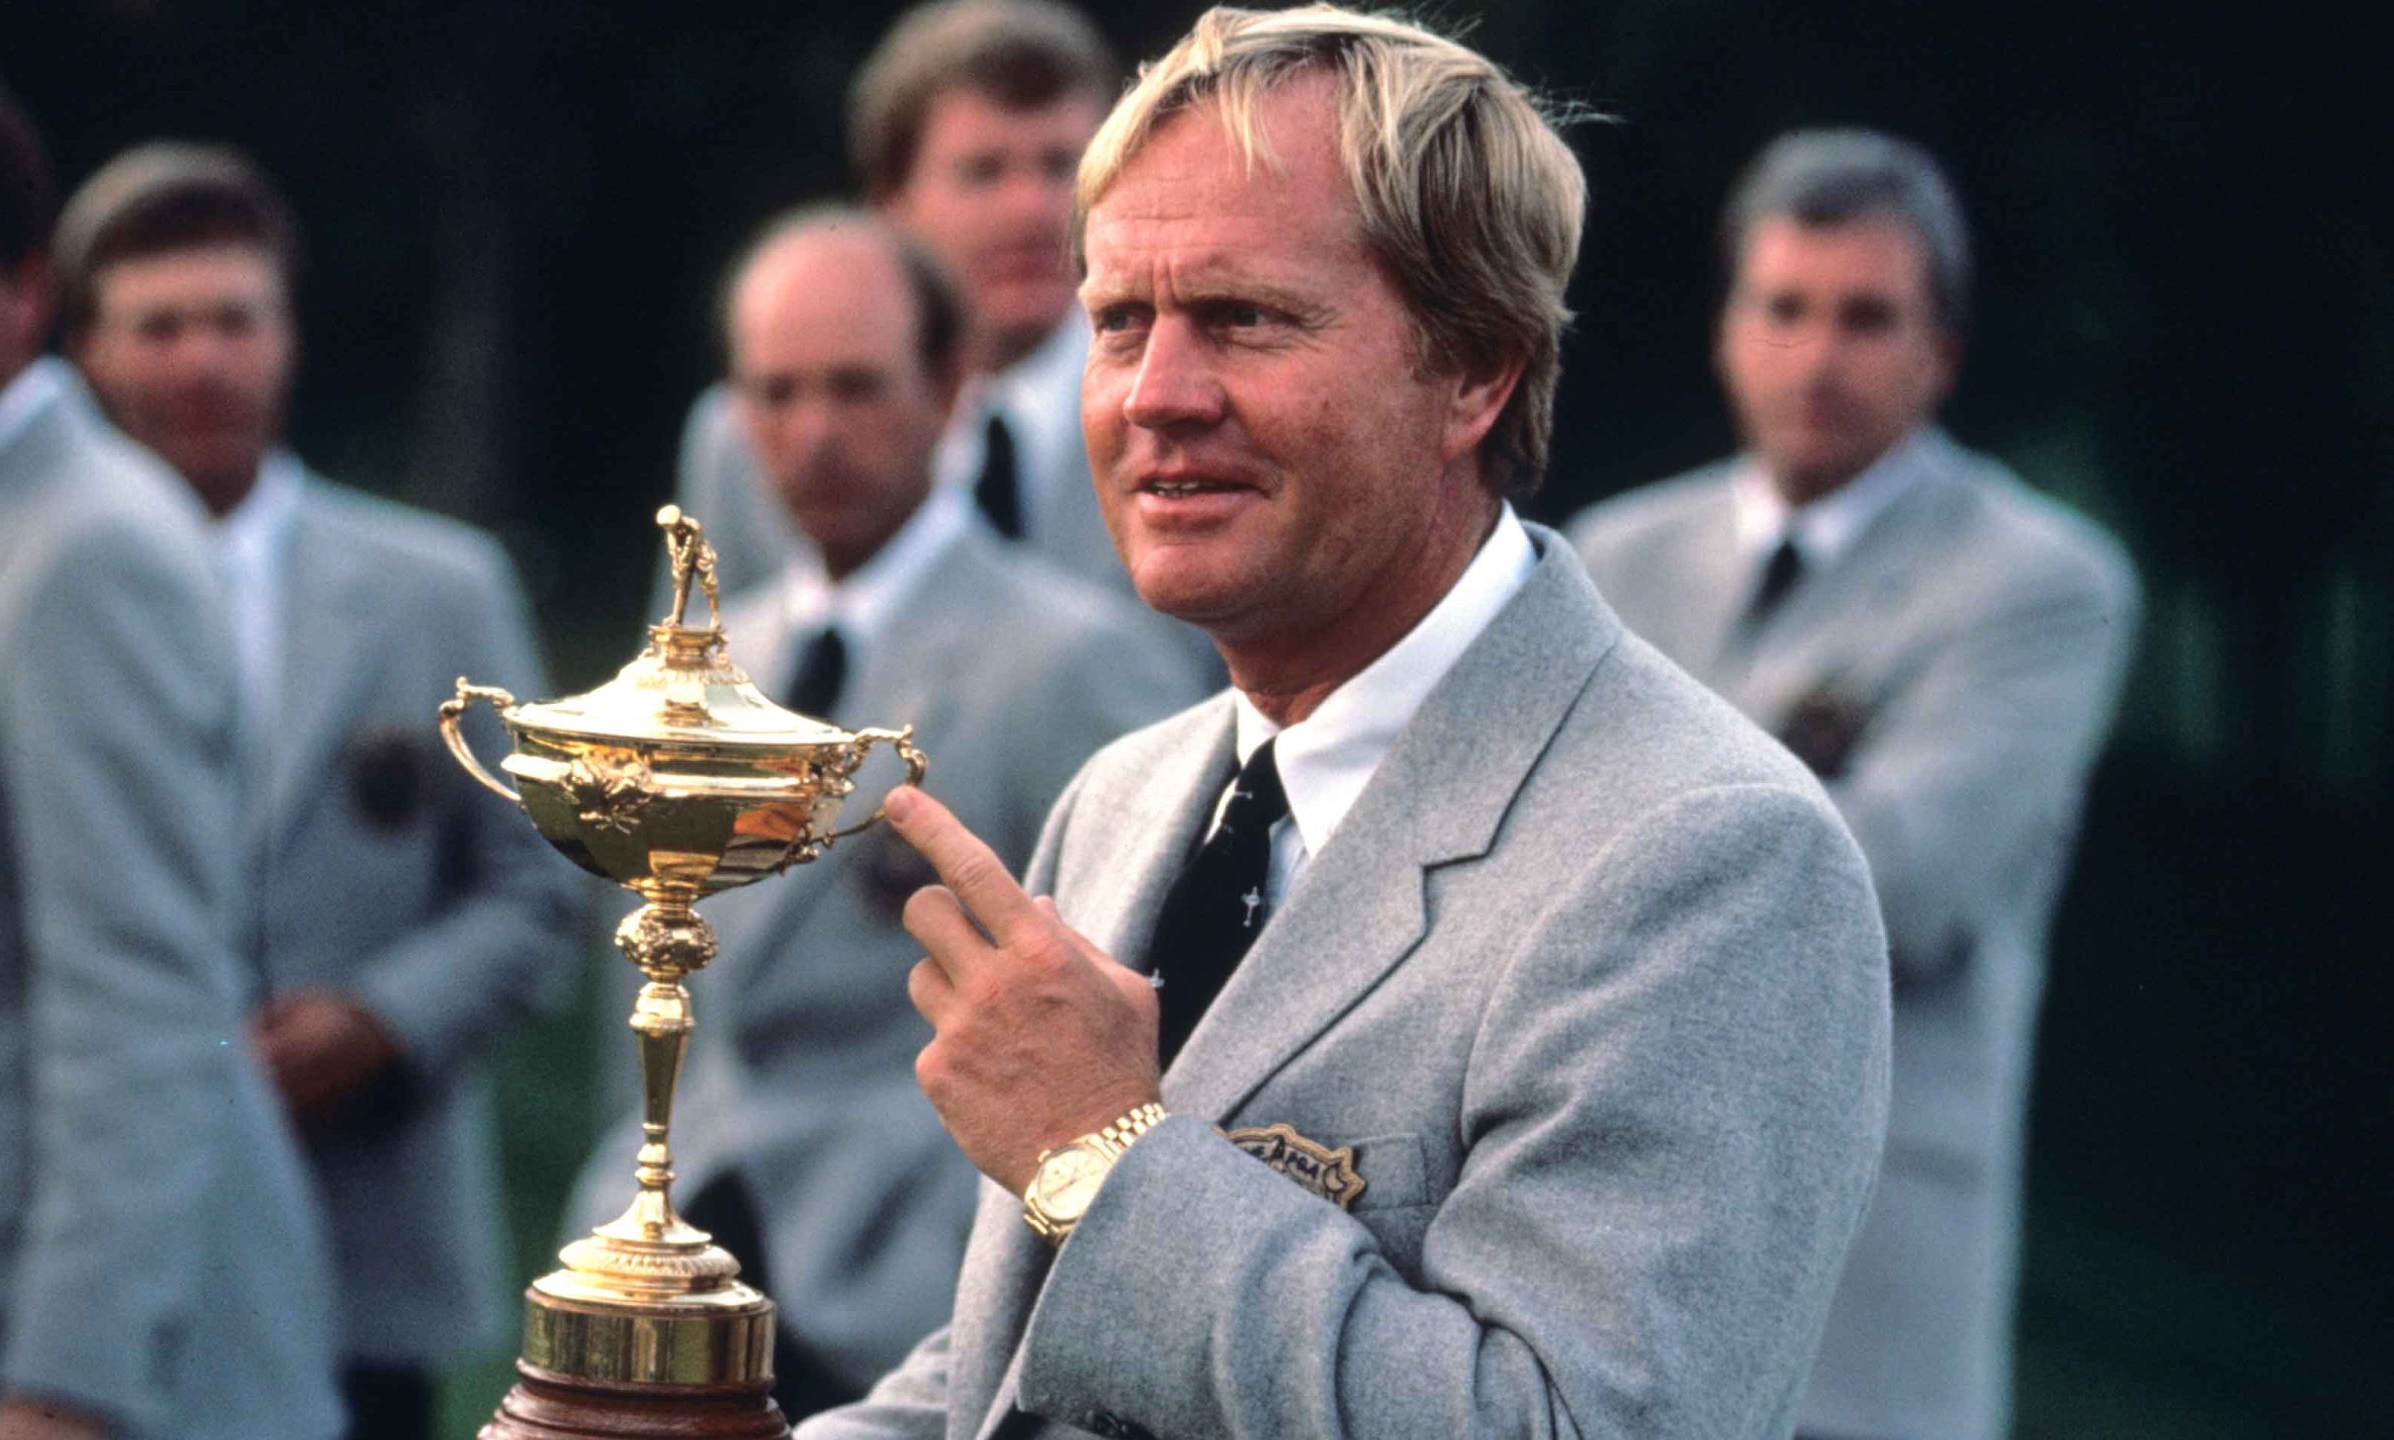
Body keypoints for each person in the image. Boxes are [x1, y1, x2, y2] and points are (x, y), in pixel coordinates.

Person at [808, 8, 1893, 1438]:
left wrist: (1101, 1156)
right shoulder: (1126, 796)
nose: (1157, 398)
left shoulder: (1713, 861)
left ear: (1475, 370)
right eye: (1118, 322)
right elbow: (1003, 1383)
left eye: (1245, 319)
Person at [564, 206, 1203, 1421]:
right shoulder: (701, 667)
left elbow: (1132, 1012)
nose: (813, 435)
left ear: (951, 385)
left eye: (856, 388)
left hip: (907, 1294)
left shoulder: (1074, 662)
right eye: (776, 394)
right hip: (683, 1255)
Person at [1570, 130, 2140, 1440]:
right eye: (1784, 308)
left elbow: (1893, 883)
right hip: (1597, 1260)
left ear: (1940, 349)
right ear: (1728, 327)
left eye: (1868, 318)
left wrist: (1594, 864)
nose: (1818, 357)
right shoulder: (1612, 556)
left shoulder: (2041, 582)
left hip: (1865, 1280)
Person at [0, 49, 340, 1440]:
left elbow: (143, 1016)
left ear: (27, 289)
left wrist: (66, 1387)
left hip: (68, 1375)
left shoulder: (83, 550)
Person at [53, 143, 585, 1440]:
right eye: (159, 326)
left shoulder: (434, 590)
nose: (201, 361)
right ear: (86, 354)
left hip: (362, 1233)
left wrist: (382, 1023)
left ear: (287, 332)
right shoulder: (35, 600)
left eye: (234, 318)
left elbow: (541, 877)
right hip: (95, 1247)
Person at [672, 0, 1220, 683]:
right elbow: (685, 694)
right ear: (889, 203)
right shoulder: (744, 437)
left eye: (1060, 166)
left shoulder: (1184, 410)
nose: (1030, 211)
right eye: (983, 172)